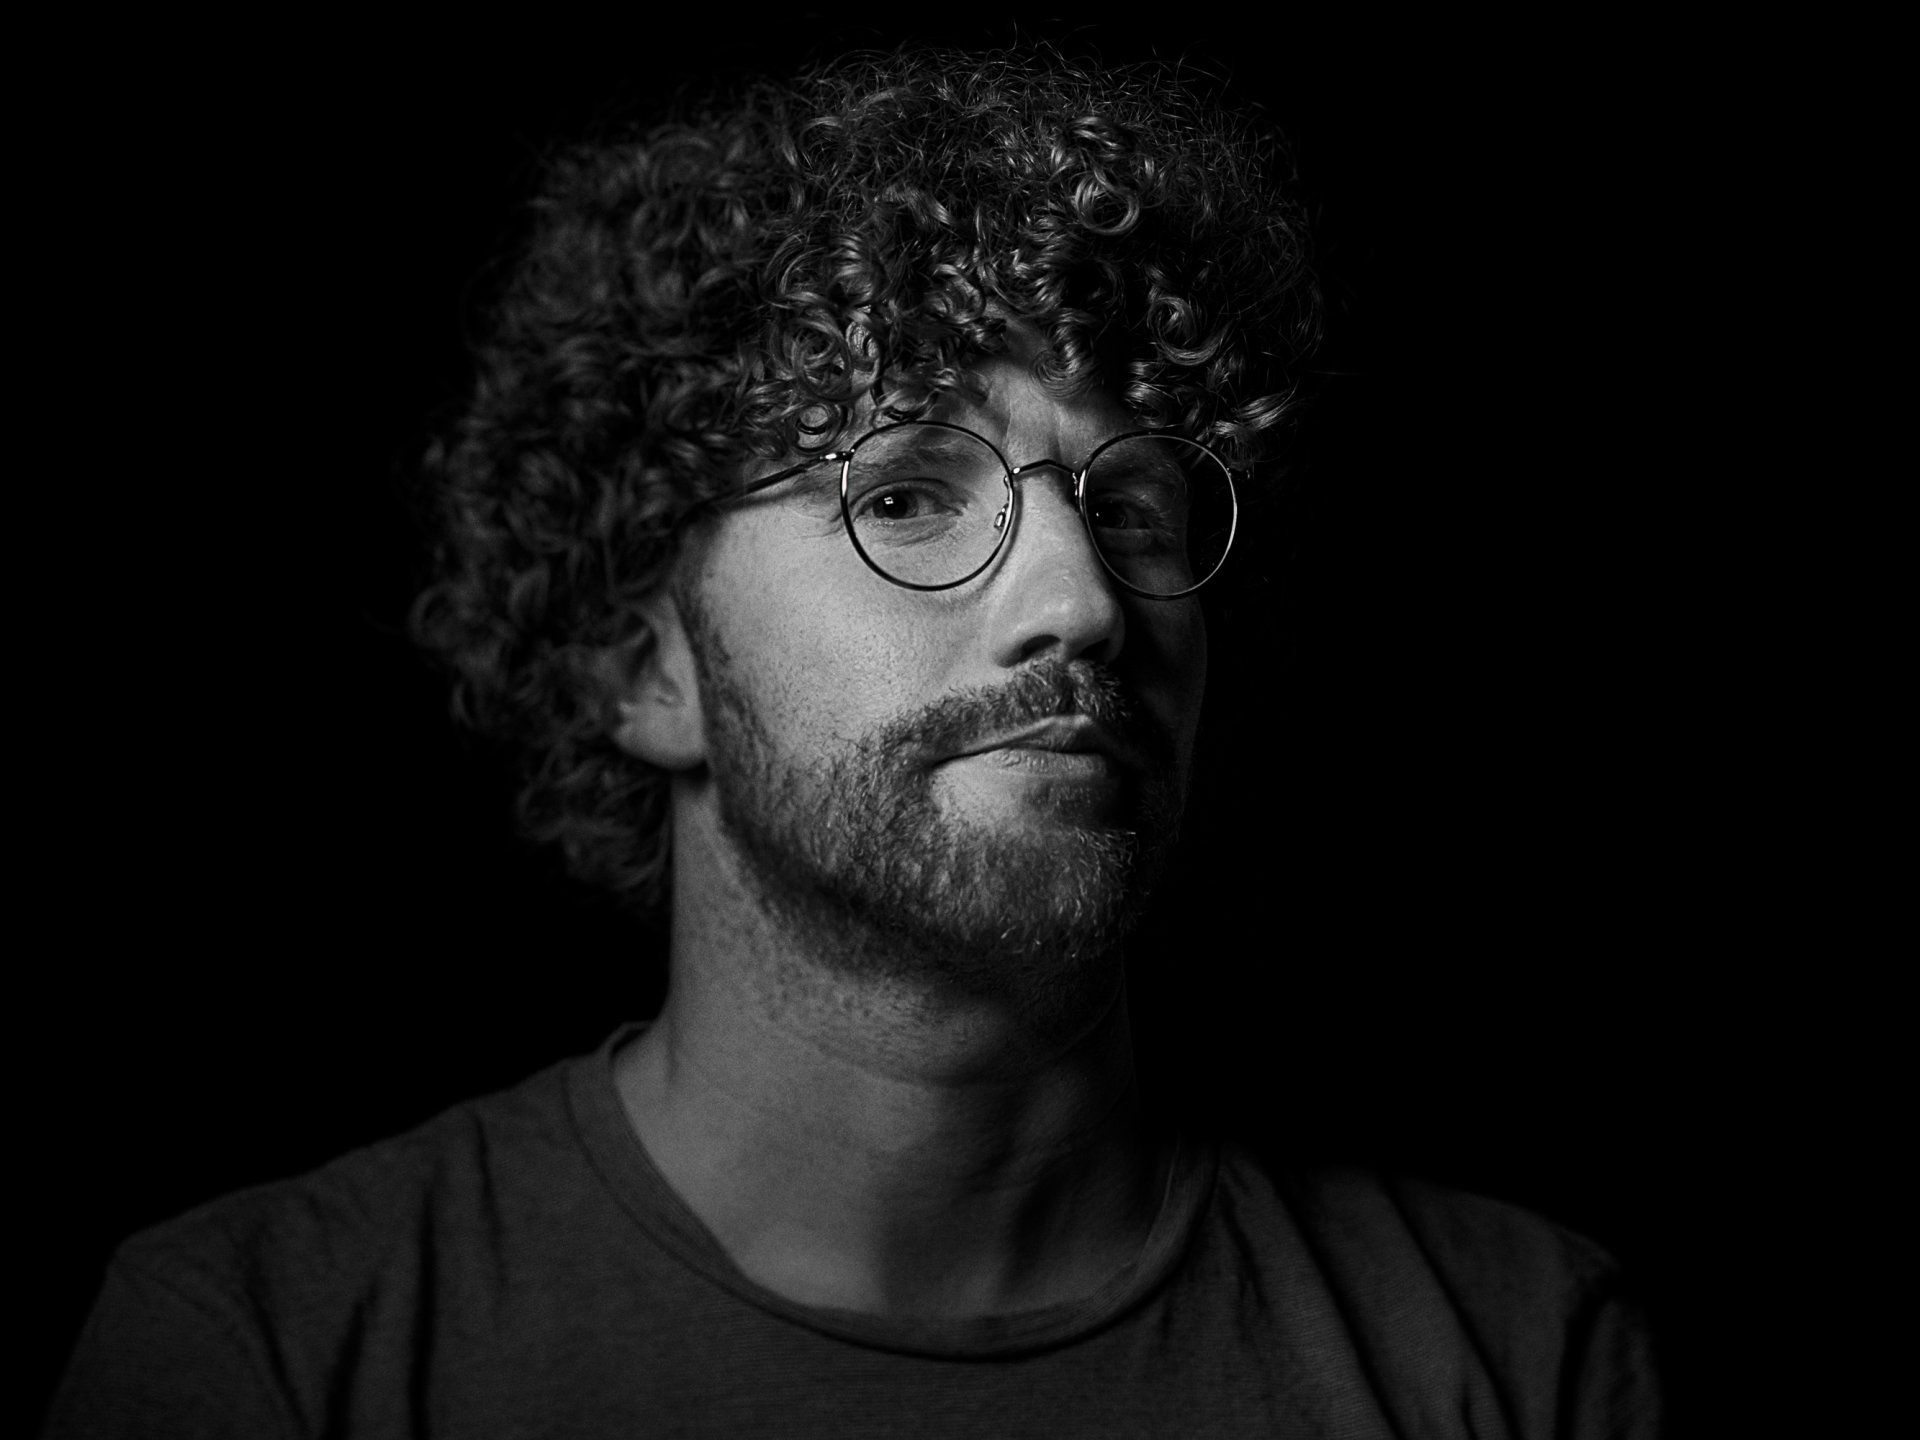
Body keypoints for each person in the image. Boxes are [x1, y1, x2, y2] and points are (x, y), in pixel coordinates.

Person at [45, 46, 1661, 1438]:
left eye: (1133, 507)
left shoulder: (1516, 1357)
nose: (1084, 603)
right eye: (904, 497)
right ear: (648, 668)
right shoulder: (272, 1351)